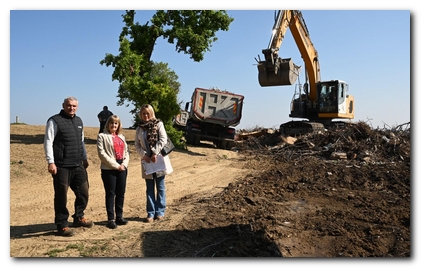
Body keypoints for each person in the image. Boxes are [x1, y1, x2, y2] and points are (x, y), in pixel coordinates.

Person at [44, 96, 94, 237]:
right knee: (61, 196)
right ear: (63, 105)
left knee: (83, 192)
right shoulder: (54, 121)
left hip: (78, 164)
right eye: (69, 105)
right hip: (61, 166)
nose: (71, 108)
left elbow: (81, 141)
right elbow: (48, 141)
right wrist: (51, 162)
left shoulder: (79, 121)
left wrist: (84, 158)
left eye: (74, 106)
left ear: (77, 107)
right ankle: (62, 225)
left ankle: (79, 217)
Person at [134, 104, 173, 223]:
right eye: (143, 113)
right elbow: (136, 144)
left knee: (160, 187)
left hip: (158, 159)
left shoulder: (159, 124)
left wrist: (154, 153)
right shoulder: (139, 128)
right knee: (149, 188)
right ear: (141, 114)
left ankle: (160, 212)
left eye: (148, 113)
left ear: (151, 113)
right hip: (147, 162)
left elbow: (163, 139)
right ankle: (150, 213)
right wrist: (144, 155)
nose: (146, 116)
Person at [97, 115, 130, 229]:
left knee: (121, 193)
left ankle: (119, 217)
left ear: (118, 125)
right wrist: (116, 166)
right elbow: (102, 154)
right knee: (111, 194)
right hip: (109, 169)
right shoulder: (102, 136)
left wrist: (124, 165)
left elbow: (127, 153)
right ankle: (111, 219)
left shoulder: (122, 137)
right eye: (112, 123)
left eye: (116, 123)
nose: (114, 125)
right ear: (108, 124)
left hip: (122, 167)